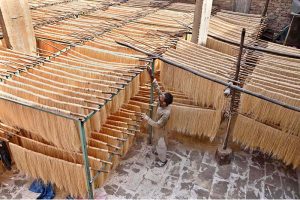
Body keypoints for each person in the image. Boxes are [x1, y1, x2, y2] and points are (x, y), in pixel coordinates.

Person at [141, 67, 173, 167]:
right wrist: (151, 75)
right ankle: (158, 152)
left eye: (161, 99)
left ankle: (163, 160)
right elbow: (157, 88)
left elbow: (158, 125)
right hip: (157, 126)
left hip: (161, 129)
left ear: (165, 103)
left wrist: (147, 118)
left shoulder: (166, 113)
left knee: (161, 144)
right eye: (160, 97)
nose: (159, 98)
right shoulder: (162, 99)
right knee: (156, 141)